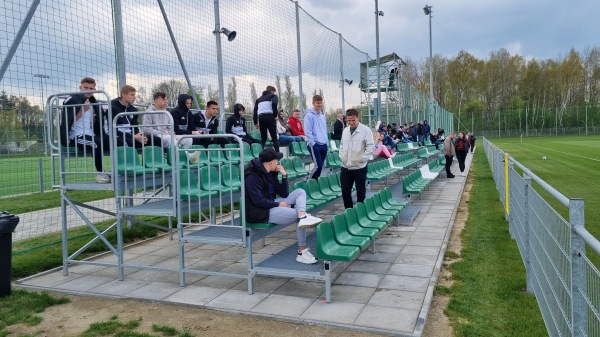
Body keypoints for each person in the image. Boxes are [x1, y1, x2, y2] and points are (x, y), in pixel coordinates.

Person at [244, 148, 323, 264]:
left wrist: (284, 175)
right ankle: (301, 251)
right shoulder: (252, 177)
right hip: (261, 212)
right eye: (277, 160)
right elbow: (257, 201)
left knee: (300, 192)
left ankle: (302, 215)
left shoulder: (270, 173)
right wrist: (278, 204)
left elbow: (284, 194)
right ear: (271, 162)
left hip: (271, 204)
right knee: (296, 216)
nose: (278, 163)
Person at [60, 77, 109, 183]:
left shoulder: (93, 103)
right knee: (96, 143)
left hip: (89, 134)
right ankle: (100, 174)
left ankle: (121, 170)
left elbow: (94, 123)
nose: (88, 90)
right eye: (85, 87)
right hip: (76, 136)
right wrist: (82, 110)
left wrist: (95, 117)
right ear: (80, 88)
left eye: (91, 88)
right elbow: (68, 123)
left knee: (113, 140)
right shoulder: (73, 100)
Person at [338, 109, 374, 209]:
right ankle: (349, 213)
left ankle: (360, 213)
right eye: (349, 120)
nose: (351, 123)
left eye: (353, 120)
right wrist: (342, 156)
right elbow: (341, 145)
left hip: (359, 167)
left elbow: (370, 147)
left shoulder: (365, 130)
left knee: (361, 193)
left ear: (357, 118)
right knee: (345, 192)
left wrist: (362, 159)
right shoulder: (345, 131)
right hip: (346, 167)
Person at [304, 95, 328, 180]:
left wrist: (326, 143)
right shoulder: (309, 115)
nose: (319, 104)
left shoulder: (322, 116)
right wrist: (313, 144)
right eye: (318, 103)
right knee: (318, 166)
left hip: (323, 144)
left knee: (320, 167)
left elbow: (324, 130)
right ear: (313, 103)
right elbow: (308, 131)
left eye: (321, 102)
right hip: (315, 144)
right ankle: (309, 182)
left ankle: (315, 182)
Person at [253, 85, 280, 152]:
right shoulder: (273, 96)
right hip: (270, 116)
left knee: (263, 138)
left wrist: (255, 122)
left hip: (261, 117)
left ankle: (260, 153)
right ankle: (277, 153)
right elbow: (274, 104)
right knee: (274, 137)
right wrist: (275, 115)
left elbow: (255, 111)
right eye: (273, 92)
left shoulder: (259, 99)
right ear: (272, 91)